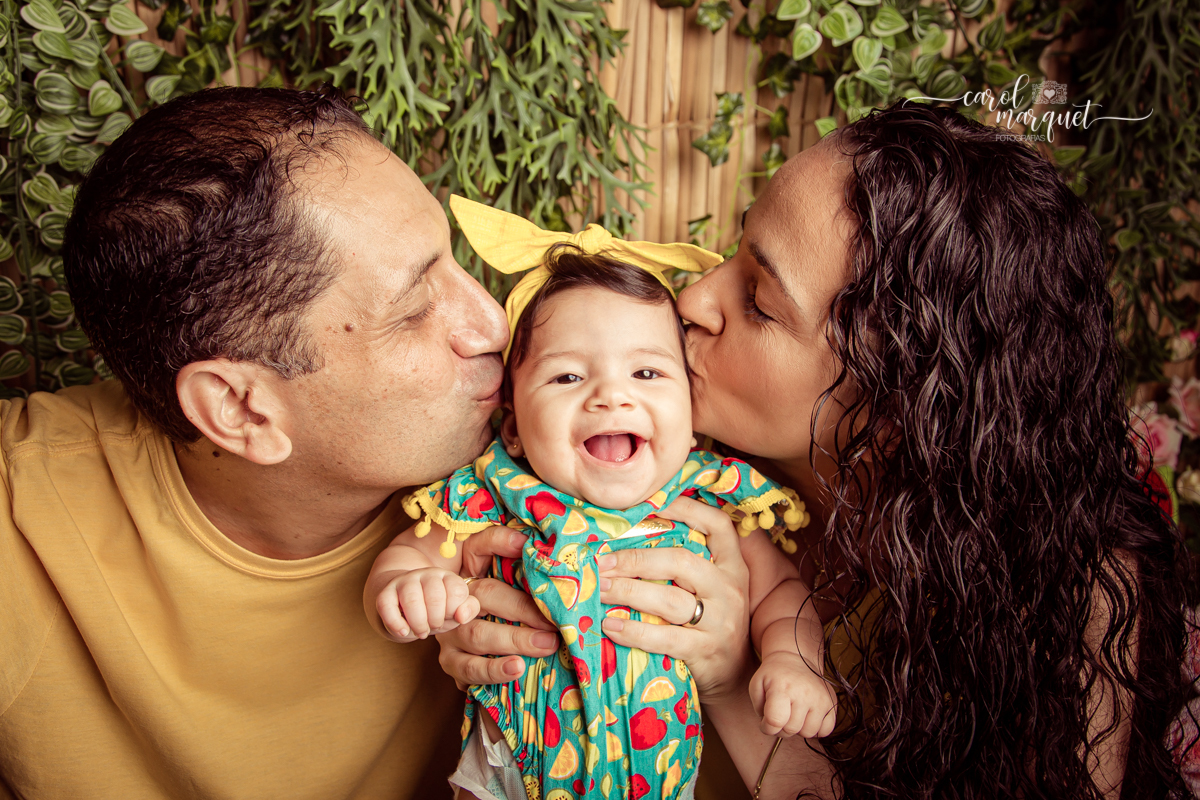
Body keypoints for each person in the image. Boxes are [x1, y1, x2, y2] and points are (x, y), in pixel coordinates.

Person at [436, 103, 1193, 799]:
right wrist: (489, 644)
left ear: (900, 405)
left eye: (760, 302)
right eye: (733, 252)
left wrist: (733, 678)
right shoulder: (639, 438)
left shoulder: (1066, 598)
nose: (694, 299)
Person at [0, 86, 541, 798]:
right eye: (413, 311)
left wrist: (722, 672)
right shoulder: (21, 520)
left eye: (453, 260)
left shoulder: (552, 463)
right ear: (241, 410)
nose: (493, 324)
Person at [365, 197, 835, 800]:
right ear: (512, 425)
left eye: (647, 374)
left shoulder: (710, 501)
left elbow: (780, 594)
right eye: (567, 377)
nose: (611, 397)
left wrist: (794, 662)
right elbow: (410, 557)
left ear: (691, 418)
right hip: (512, 766)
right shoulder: (495, 493)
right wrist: (406, 588)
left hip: (655, 773)